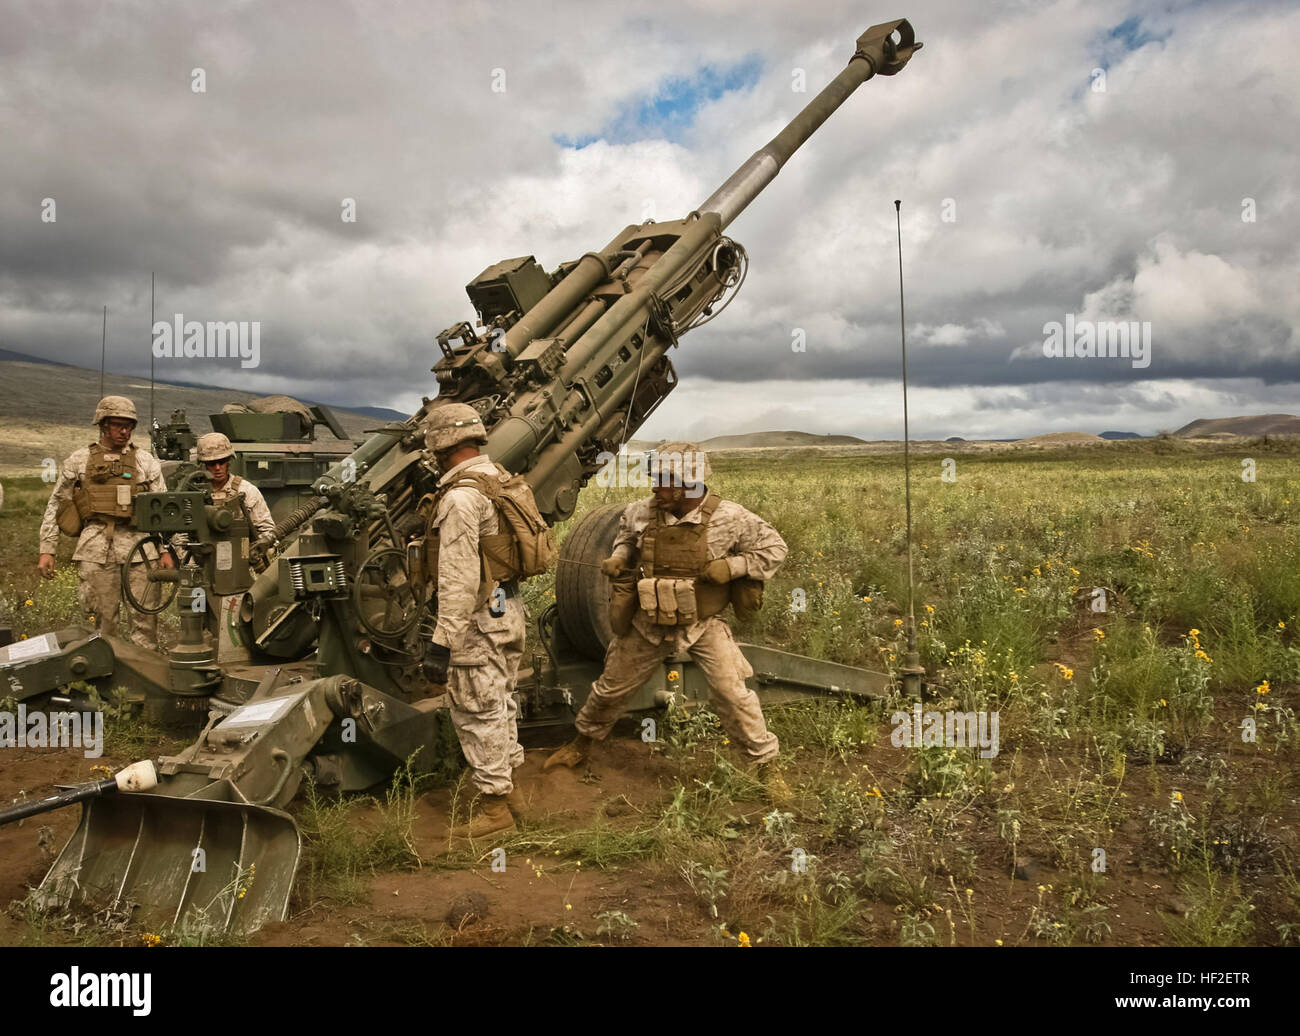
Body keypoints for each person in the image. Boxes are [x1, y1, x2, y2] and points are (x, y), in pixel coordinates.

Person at [544, 441, 791, 801]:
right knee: (610, 688)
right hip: (648, 622)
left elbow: (775, 549)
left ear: (691, 484)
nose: (656, 488)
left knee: (732, 693)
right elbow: (627, 539)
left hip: (702, 624)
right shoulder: (640, 512)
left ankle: (768, 767)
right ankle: (580, 745)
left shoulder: (732, 518)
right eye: (655, 479)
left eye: (664, 481)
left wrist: (733, 566)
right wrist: (619, 557)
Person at [419, 403, 533, 840]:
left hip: (477, 620)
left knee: (475, 709)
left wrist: (442, 641)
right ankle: (511, 790)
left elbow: (458, 578)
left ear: (439, 444)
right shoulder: (499, 480)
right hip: (508, 610)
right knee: (502, 702)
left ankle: (494, 811)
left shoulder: (460, 498)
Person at [37, 395, 175, 648]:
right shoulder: (79, 461)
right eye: (118, 425)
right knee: (100, 625)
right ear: (102, 425)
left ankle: (144, 679)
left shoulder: (145, 462)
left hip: (141, 551)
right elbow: (57, 504)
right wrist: (47, 550)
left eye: (130, 426)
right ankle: (103, 682)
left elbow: (162, 509)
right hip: (95, 550)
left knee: (145, 623)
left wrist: (166, 550)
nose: (125, 431)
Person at [195, 432, 275, 541]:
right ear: (204, 464)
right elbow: (181, 535)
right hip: (200, 554)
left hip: (240, 554)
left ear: (229, 462)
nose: (217, 468)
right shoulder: (194, 492)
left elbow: (267, 530)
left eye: (221, 462)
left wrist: (258, 550)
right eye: (212, 463)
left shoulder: (246, 491)